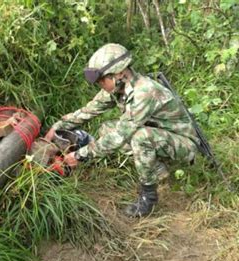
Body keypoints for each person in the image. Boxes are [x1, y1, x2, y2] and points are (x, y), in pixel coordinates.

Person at [45, 43, 199, 217]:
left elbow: (119, 136)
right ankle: (156, 167)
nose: (100, 85)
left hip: (184, 144)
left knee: (140, 137)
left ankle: (148, 196)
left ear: (118, 73)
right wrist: (58, 126)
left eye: (102, 80)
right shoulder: (119, 87)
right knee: (106, 128)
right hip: (160, 134)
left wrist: (81, 155)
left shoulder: (144, 92)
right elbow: (90, 109)